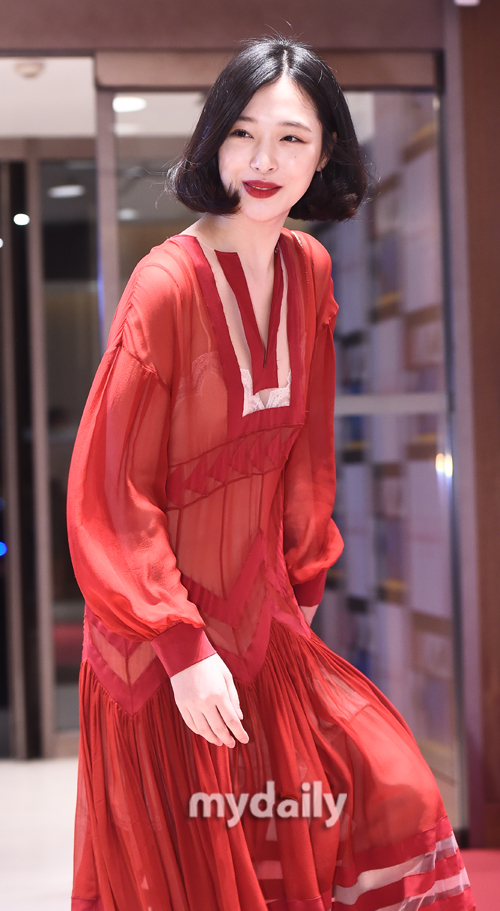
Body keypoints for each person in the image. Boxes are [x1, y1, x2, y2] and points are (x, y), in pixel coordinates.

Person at [67, 36, 475, 911]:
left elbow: (307, 457)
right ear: (213, 141)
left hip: (264, 626)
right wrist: (182, 648)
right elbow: (112, 491)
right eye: (243, 133)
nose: (263, 160)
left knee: (390, 790)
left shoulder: (309, 269)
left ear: (324, 154)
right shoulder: (164, 285)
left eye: (291, 138)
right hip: (157, 651)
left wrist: (303, 583)